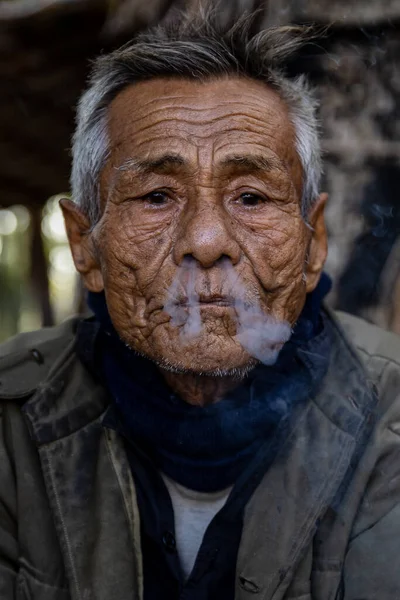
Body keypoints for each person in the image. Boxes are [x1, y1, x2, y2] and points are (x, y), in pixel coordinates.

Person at [1, 10, 400, 600]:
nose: (206, 241)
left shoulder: (391, 420)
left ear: (313, 242)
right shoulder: (9, 426)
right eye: (157, 196)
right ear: (85, 245)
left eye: (251, 195)